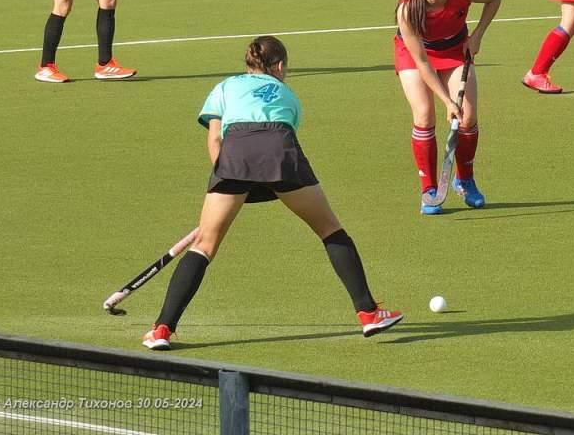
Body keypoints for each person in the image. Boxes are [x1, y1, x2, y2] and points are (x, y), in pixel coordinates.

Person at [142, 36, 403, 350]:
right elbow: (274, 151)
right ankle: (369, 313)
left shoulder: (224, 87)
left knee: (204, 245)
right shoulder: (288, 94)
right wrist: (253, 182)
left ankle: (161, 329)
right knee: (330, 229)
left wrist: (227, 182)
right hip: (280, 152)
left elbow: (215, 140)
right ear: (279, 66)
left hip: (233, 157)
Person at [394, 0, 502, 215]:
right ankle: (429, 190)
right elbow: (422, 62)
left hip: (455, 49)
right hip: (416, 55)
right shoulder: (408, 8)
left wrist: (477, 36)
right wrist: (447, 101)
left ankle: (464, 180)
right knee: (424, 114)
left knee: (467, 117)